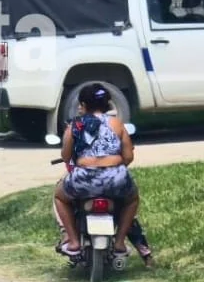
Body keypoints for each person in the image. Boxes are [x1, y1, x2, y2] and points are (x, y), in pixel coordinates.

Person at [53, 84, 140, 258]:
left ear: (84, 105)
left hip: (83, 178)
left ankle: (73, 241)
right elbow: (128, 156)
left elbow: (66, 156)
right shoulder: (117, 124)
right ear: (107, 104)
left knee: (59, 197)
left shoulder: (75, 126)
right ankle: (120, 242)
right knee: (132, 199)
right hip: (115, 177)